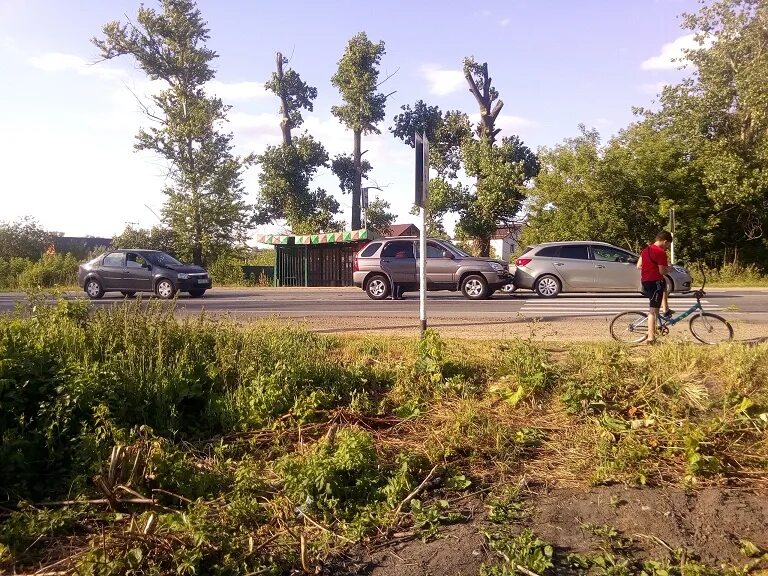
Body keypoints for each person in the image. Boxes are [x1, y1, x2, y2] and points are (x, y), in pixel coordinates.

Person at [636, 230, 674, 344]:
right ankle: (651, 338)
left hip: (646, 282)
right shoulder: (660, 252)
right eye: (668, 245)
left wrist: (650, 268)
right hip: (654, 282)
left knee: (664, 284)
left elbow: (639, 266)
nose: (667, 247)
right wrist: (669, 268)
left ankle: (665, 309)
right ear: (665, 241)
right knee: (652, 311)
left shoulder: (646, 250)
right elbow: (662, 271)